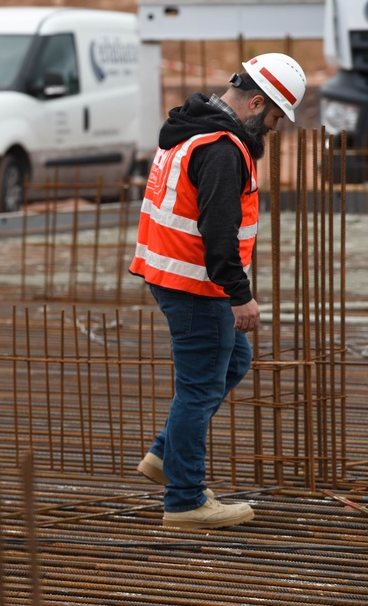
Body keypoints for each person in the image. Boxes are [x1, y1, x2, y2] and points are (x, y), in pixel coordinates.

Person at [129, 52, 306, 529]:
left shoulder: (190, 130)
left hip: (172, 275)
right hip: (195, 284)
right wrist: (240, 294)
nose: (271, 129)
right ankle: (185, 500)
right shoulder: (223, 148)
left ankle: (168, 456)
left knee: (233, 361)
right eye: (272, 118)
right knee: (200, 385)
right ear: (254, 103)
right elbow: (218, 231)